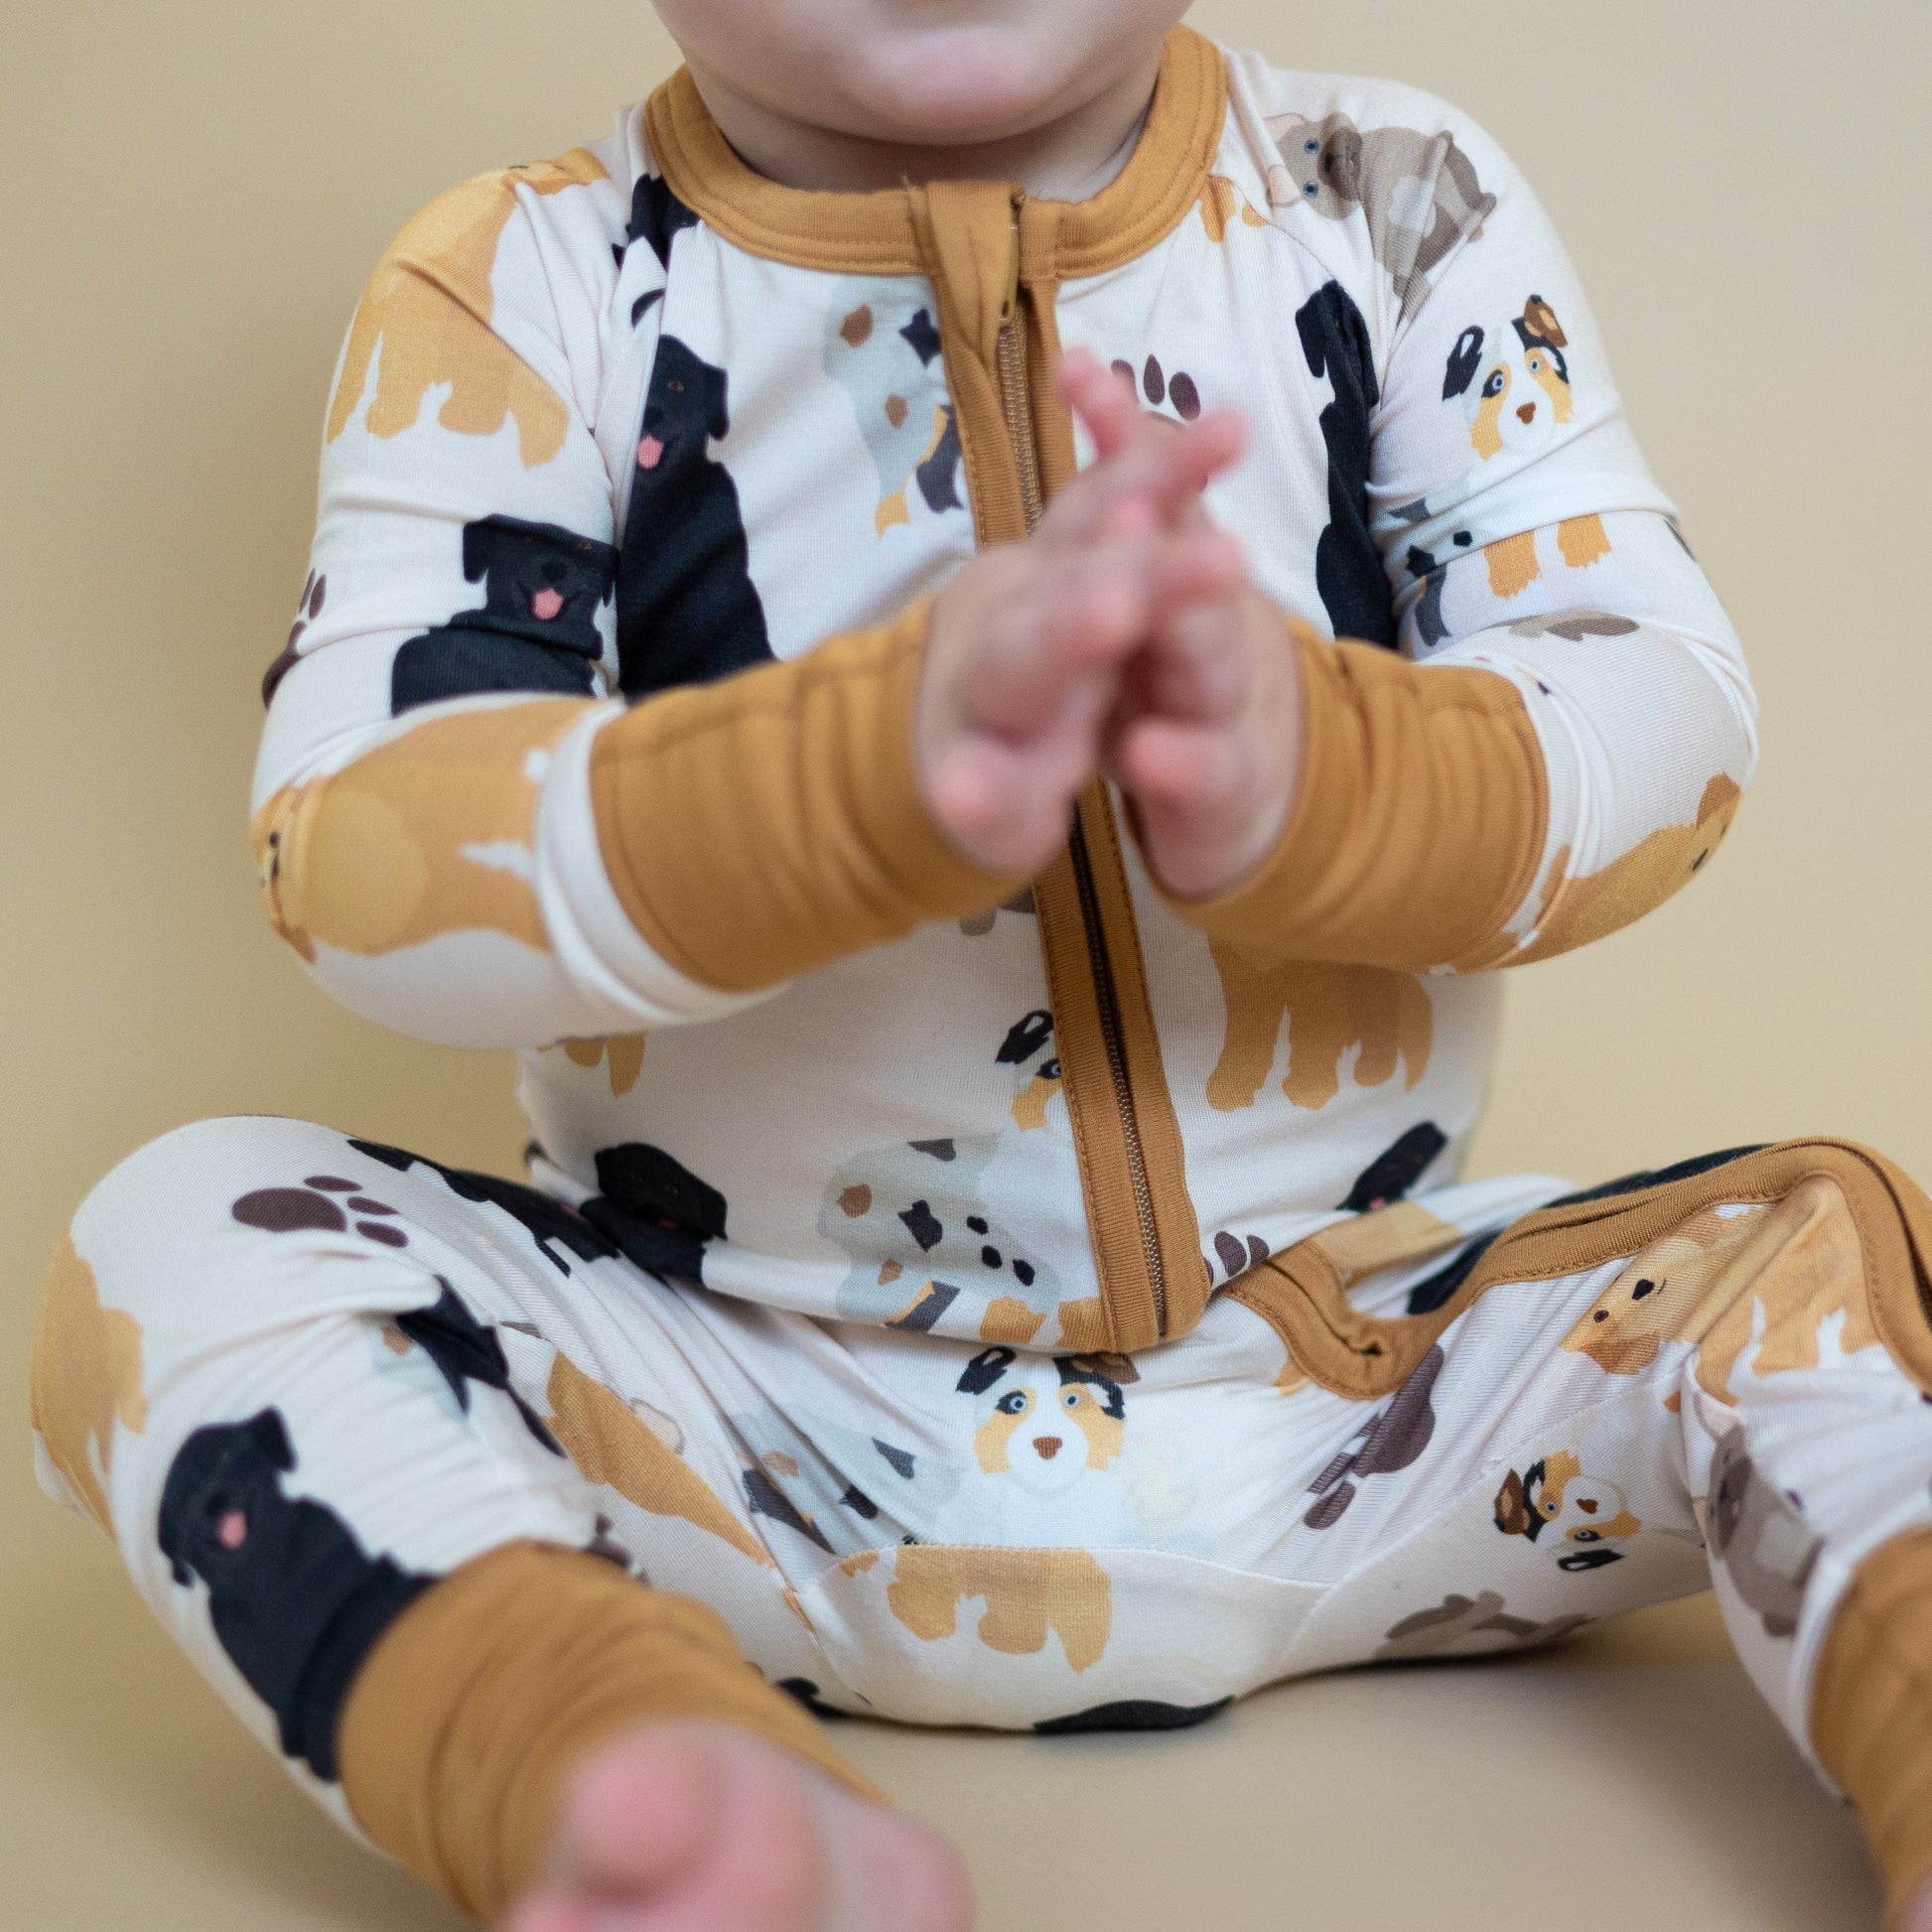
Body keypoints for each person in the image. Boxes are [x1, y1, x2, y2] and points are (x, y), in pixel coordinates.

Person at [31, 3, 1932, 1927]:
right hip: (715, 1410)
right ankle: (607, 1765)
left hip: (1372, 1392)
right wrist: (848, 784)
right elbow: (357, 845)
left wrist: (1327, 774)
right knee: (179, 1241)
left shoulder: (1385, 201)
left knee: (1818, 1259)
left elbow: (1655, 697)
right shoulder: (529, 279)